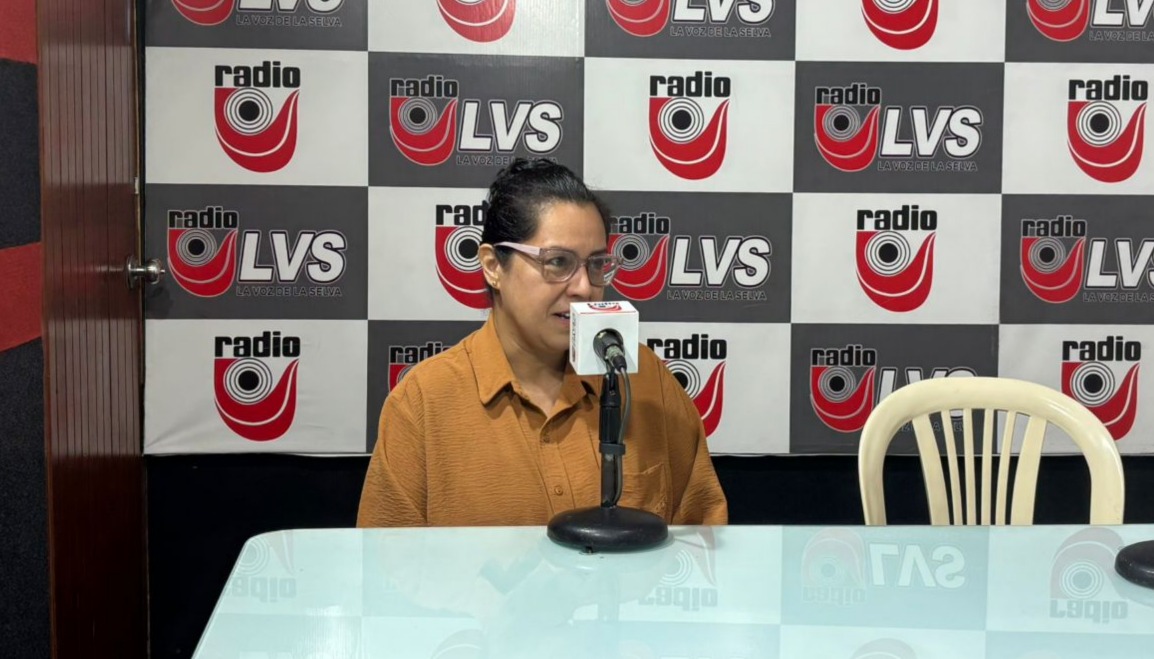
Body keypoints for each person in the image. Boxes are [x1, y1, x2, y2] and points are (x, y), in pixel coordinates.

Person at [356, 158, 727, 528]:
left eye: (597, 264)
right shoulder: (422, 405)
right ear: (493, 266)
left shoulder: (646, 380)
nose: (584, 287)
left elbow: (703, 536)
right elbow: (387, 560)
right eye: (558, 262)